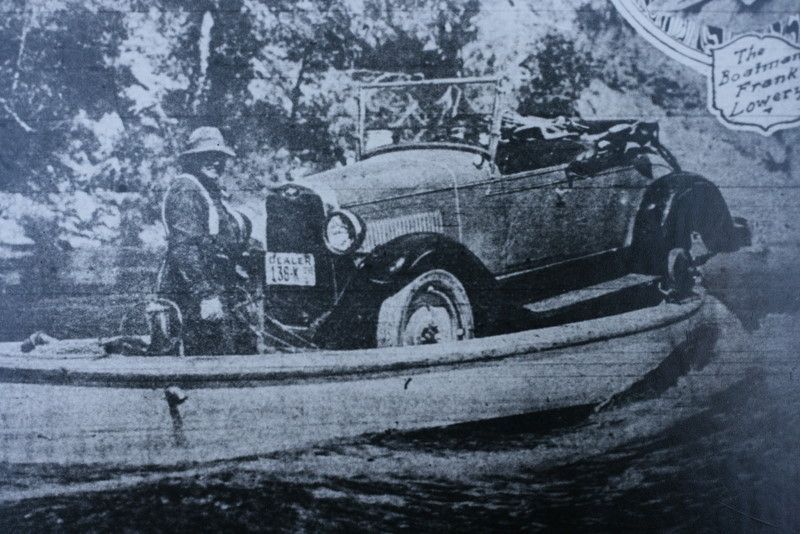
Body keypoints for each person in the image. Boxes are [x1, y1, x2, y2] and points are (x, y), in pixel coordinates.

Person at [155, 127, 259, 355]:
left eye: (219, 157)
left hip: (221, 292)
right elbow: (184, 247)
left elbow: (227, 239)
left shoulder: (211, 193)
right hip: (193, 297)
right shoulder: (186, 190)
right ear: (192, 160)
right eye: (206, 156)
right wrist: (206, 296)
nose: (214, 163)